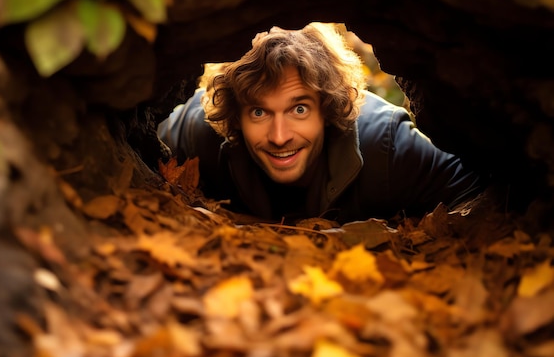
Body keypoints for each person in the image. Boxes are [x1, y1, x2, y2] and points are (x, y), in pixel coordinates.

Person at [157, 22, 485, 224]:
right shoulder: (203, 132)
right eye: (259, 112)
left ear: (327, 108)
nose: (280, 137)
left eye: (299, 109)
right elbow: (139, 149)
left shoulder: (385, 145)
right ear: (235, 118)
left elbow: (478, 197)